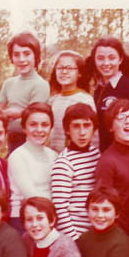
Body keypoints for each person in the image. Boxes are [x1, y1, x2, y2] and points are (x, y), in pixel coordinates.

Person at [50, 103, 101, 240]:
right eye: (76, 126)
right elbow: (60, 209)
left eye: (86, 125)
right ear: (67, 130)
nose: (82, 132)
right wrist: (76, 240)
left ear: (94, 128)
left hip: (97, 230)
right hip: (76, 234)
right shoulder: (64, 163)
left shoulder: (96, 154)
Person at [0, 31, 50, 152]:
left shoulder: (40, 85)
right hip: (12, 144)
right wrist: (4, 113)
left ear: (36, 56)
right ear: (11, 58)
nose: (21, 59)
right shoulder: (9, 83)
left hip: (31, 145)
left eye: (27, 54)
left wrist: (10, 115)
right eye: (16, 55)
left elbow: (33, 123)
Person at [7, 102, 58, 232]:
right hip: (23, 219)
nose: (39, 130)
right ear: (24, 128)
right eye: (33, 124)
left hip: (48, 217)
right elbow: (32, 196)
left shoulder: (53, 155)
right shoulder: (18, 156)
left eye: (45, 125)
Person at [85, 37, 129, 151]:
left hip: (122, 153)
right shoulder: (98, 88)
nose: (106, 63)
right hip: (102, 151)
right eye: (100, 58)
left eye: (111, 58)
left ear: (120, 59)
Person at [95, 98, 129, 235]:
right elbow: (104, 205)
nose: (128, 122)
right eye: (121, 118)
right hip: (118, 233)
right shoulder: (107, 161)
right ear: (111, 127)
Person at [46, 50, 96, 152]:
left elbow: (93, 135)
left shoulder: (85, 100)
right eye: (60, 68)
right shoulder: (53, 100)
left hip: (76, 155)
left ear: (79, 73)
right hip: (54, 155)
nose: (64, 72)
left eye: (69, 68)